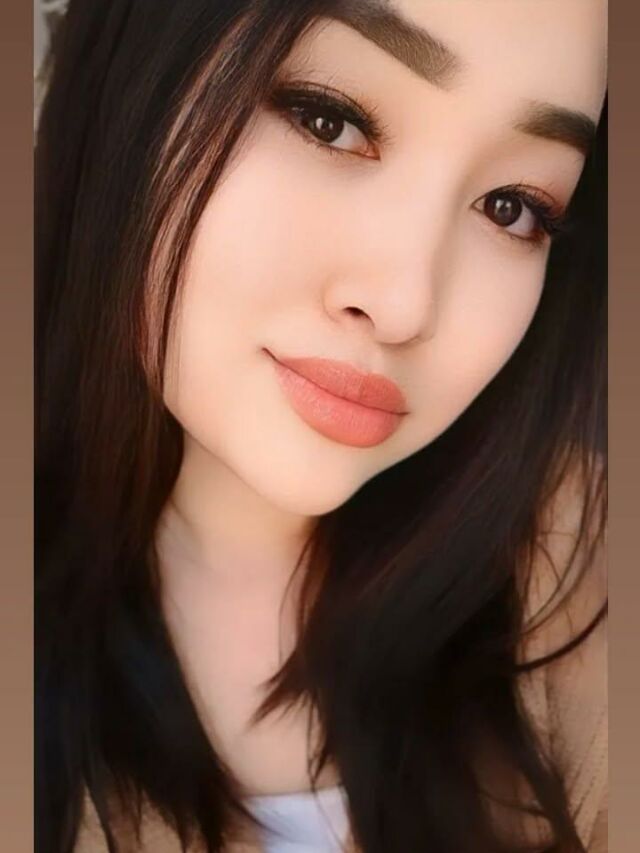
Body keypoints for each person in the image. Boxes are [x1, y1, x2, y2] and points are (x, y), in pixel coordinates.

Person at [35, 1, 608, 851]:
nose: (405, 304)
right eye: (328, 119)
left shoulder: (585, 564)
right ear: (130, 71)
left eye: (512, 206)